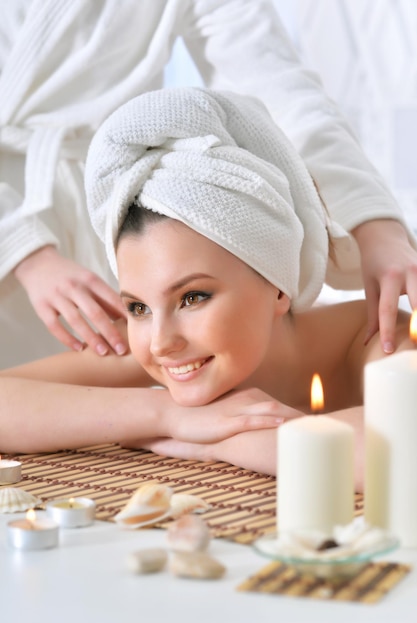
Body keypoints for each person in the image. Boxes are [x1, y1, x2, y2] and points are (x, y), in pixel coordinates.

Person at [0, 87, 413, 492]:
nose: (161, 342)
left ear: (277, 285)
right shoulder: (166, 353)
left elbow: (402, 450)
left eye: (192, 298)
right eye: (138, 307)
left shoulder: (378, 338)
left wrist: (223, 441)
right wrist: (165, 416)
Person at [1, 0, 416, 368]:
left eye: (194, 297)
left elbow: (281, 90)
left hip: (123, 224)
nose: (160, 337)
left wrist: (374, 223)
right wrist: (26, 254)